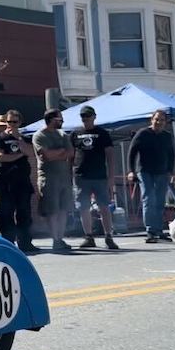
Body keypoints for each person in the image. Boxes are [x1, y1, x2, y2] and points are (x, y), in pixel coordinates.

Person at [70, 105, 119, 249]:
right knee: (83, 207)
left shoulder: (102, 133)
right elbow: (71, 156)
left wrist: (111, 176)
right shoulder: (75, 134)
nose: (86, 119)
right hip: (81, 176)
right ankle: (88, 236)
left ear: (94, 116)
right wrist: (70, 173)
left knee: (104, 206)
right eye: (83, 116)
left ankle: (108, 235)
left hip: (99, 176)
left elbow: (110, 155)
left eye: (88, 116)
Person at [0, 110, 39, 253]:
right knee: (5, 213)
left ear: (19, 123)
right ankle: (8, 243)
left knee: (24, 214)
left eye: (14, 122)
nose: (11, 125)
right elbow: (1, 157)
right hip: (6, 181)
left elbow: (31, 153)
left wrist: (18, 139)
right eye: (9, 122)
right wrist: (20, 155)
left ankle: (25, 243)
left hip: (22, 181)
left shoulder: (24, 138)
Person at [127, 110, 175, 243]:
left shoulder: (167, 135)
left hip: (162, 172)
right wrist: (131, 170)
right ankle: (150, 231)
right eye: (156, 119)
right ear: (152, 120)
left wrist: (170, 170)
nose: (159, 122)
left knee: (160, 201)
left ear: (165, 122)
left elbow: (172, 154)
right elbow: (132, 152)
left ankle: (159, 230)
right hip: (144, 171)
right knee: (149, 198)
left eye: (162, 120)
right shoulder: (143, 133)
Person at [33, 109, 74, 251]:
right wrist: (60, 152)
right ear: (51, 119)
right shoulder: (39, 136)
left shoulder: (63, 135)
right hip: (48, 178)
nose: (62, 122)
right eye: (59, 119)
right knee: (53, 210)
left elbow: (70, 153)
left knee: (63, 210)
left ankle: (60, 239)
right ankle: (55, 239)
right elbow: (46, 156)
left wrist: (56, 153)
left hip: (64, 178)